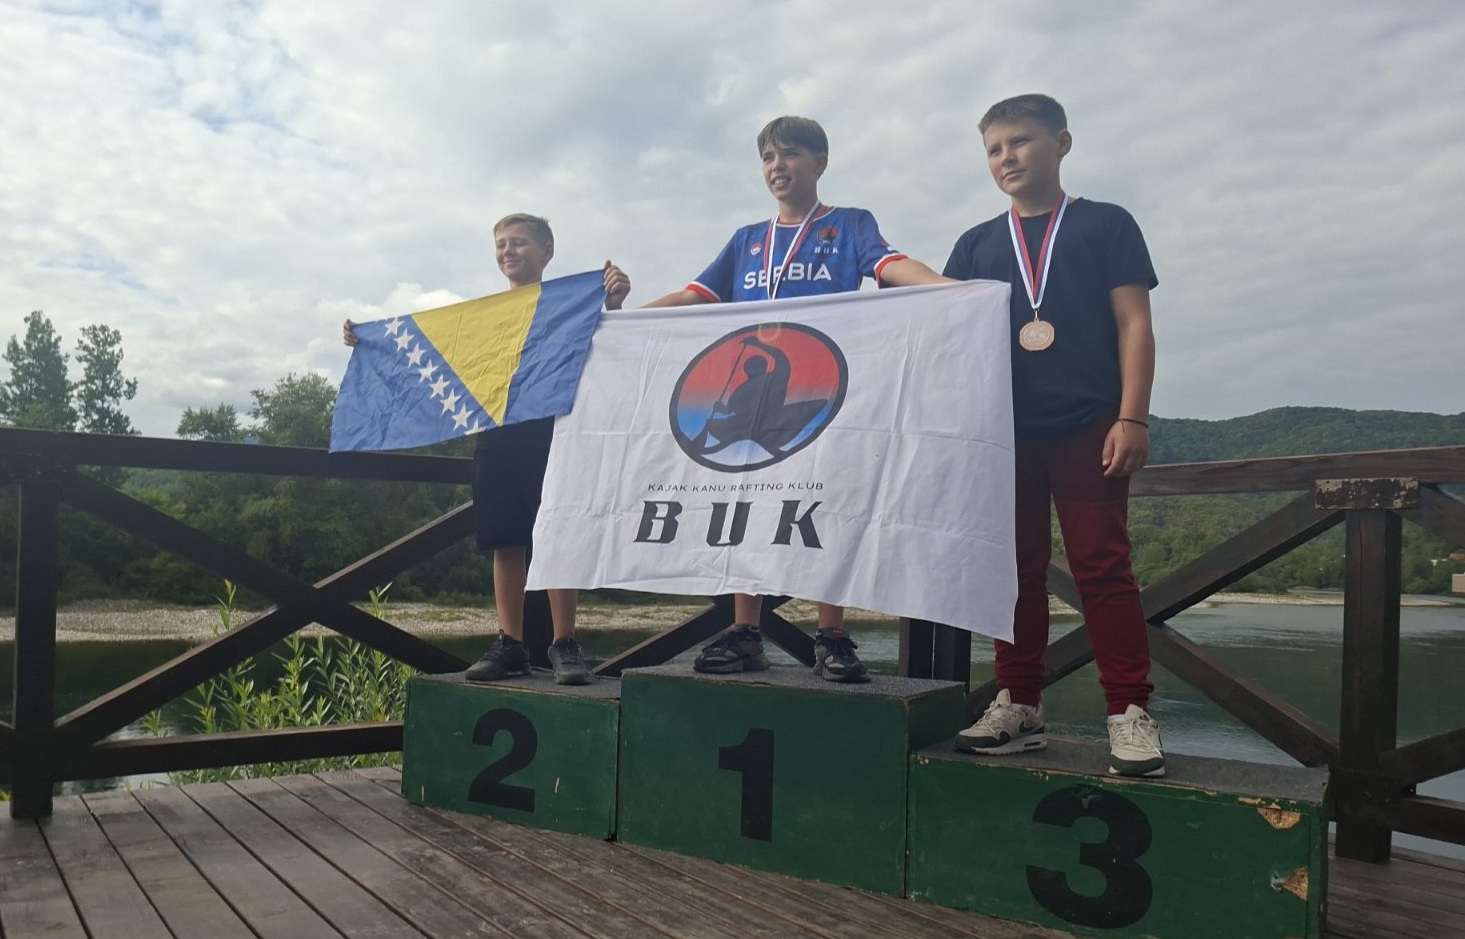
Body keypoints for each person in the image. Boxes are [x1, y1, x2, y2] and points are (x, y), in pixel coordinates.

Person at [645, 115, 951, 683]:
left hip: (825, 393)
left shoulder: (849, 224)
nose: (776, 166)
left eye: (788, 154)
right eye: (767, 157)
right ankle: (745, 632)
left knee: (824, 507)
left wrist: (954, 292)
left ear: (820, 162)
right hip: (752, 403)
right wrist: (623, 322)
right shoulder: (747, 239)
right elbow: (695, 295)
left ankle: (830, 635)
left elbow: (891, 265)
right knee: (748, 511)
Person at [943, 93, 1164, 777]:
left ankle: (1128, 710)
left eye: (1019, 141)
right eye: (993, 149)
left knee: (1102, 566)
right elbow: (944, 336)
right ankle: (1019, 703)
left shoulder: (1104, 223)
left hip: (1089, 422)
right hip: (1002, 432)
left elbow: (1133, 322)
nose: (1005, 157)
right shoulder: (976, 244)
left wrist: (1132, 415)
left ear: (1061, 143)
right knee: (1014, 571)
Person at [344, 214, 631, 684]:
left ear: (547, 251)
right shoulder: (481, 318)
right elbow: (427, 352)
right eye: (501, 244)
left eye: (519, 242)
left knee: (557, 539)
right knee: (505, 540)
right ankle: (511, 644)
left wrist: (614, 304)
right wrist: (369, 340)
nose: (508, 251)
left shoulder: (572, 306)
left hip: (555, 436)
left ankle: (564, 643)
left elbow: (610, 353)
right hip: (496, 440)